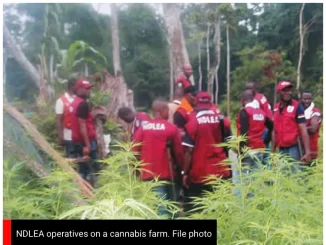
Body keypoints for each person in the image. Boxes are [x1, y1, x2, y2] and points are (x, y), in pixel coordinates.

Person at [132, 99, 184, 218]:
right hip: (170, 175)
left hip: (149, 176)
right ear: (162, 111)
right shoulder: (172, 128)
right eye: (167, 110)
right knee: (173, 209)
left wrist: (135, 171)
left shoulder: (143, 129)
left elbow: (134, 152)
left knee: (159, 210)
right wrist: (182, 171)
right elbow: (179, 153)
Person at [182, 92, 231, 213]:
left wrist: (185, 172)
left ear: (196, 105)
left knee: (199, 209)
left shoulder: (193, 124)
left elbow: (188, 151)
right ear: (210, 104)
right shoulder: (223, 121)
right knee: (220, 209)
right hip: (221, 171)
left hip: (200, 173)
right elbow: (230, 144)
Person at [272, 81, 311, 172]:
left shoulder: (297, 107)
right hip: (281, 149)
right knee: (282, 178)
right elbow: (274, 131)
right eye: (284, 90)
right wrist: (272, 152)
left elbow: (303, 130)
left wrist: (307, 152)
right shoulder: (275, 108)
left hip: (293, 149)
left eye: (289, 90)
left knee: (294, 178)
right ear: (278, 92)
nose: (288, 93)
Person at [236, 89, 273, 184]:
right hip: (259, 149)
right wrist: (266, 140)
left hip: (248, 150)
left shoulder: (245, 112)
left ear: (243, 100)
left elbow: (243, 133)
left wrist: (242, 152)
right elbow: (271, 125)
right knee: (256, 180)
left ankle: (245, 198)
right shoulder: (261, 112)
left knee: (244, 180)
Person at [70, 78, 98, 186]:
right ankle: (91, 193)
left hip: (76, 141)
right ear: (80, 89)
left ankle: (82, 191)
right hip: (85, 142)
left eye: (89, 89)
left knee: (82, 168)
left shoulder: (74, 103)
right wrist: (88, 145)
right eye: (86, 89)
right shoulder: (83, 104)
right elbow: (82, 125)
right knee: (91, 169)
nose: (89, 91)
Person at [55, 78, 77, 158]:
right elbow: (59, 119)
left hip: (79, 136)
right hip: (68, 135)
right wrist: (61, 136)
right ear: (72, 86)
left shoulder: (77, 99)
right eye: (77, 86)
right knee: (71, 158)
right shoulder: (60, 101)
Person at [301, 91, 322, 163]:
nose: (307, 101)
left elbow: (313, 129)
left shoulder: (315, 112)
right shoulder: (300, 111)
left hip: (311, 148)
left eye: (309, 99)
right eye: (305, 99)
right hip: (300, 148)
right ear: (301, 99)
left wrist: (297, 129)